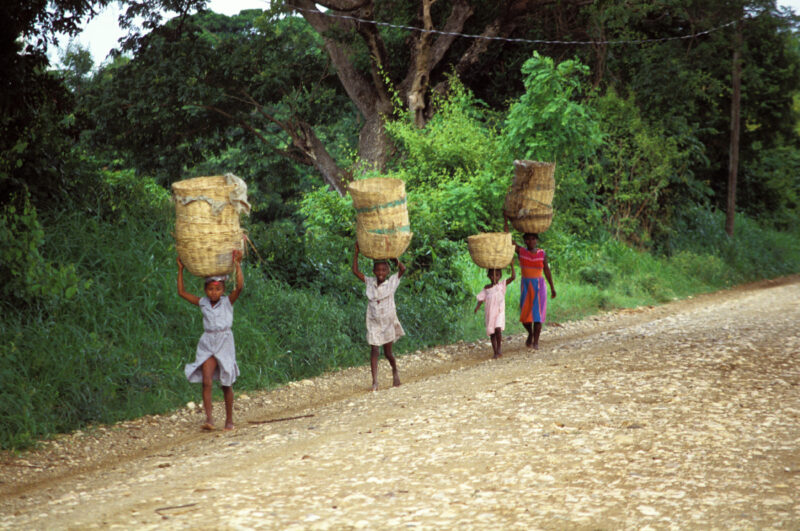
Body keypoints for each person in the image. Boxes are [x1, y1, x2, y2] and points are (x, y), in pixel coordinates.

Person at [177, 250, 243, 431]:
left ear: (223, 290)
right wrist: (181, 269)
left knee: (225, 383)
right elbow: (181, 292)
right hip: (208, 342)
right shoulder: (203, 303)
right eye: (211, 289)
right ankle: (209, 419)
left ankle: (229, 420)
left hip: (224, 341)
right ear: (206, 290)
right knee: (206, 380)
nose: (214, 293)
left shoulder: (228, 302)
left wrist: (237, 264)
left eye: (218, 289)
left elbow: (239, 287)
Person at [352, 242, 406, 391]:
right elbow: (355, 271)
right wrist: (356, 252)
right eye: (378, 270)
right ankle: (375, 382)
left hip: (388, 322)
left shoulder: (392, 283)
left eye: (384, 269)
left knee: (388, 353)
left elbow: (403, 269)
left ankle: (394, 369)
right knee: (374, 350)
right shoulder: (369, 282)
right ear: (373, 271)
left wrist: (394, 257)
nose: (380, 272)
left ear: (388, 271)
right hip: (374, 321)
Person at [505, 219, 556, 349]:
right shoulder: (521, 252)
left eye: (533, 239)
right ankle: (531, 333)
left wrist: (552, 288)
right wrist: (506, 219)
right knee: (525, 316)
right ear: (525, 241)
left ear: (536, 240)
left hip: (539, 287)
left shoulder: (542, 253)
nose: (530, 241)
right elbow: (508, 238)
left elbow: (547, 270)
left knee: (538, 316)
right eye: (528, 239)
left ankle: (536, 342)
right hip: (526, 287)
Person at [474, 259, 516, 359]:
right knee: (492, 333)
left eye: (497, 275)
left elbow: (513, 277)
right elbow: (481, 298)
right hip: (490, 313)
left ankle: (500, 349)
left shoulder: (501, 285)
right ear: (489, 276)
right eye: (492, 275)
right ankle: (495, 352)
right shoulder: (487, 288)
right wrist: (477, 307)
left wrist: (512, 265)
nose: (494, 277)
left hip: (499, 311)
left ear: (500, 276)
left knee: (498, 329)